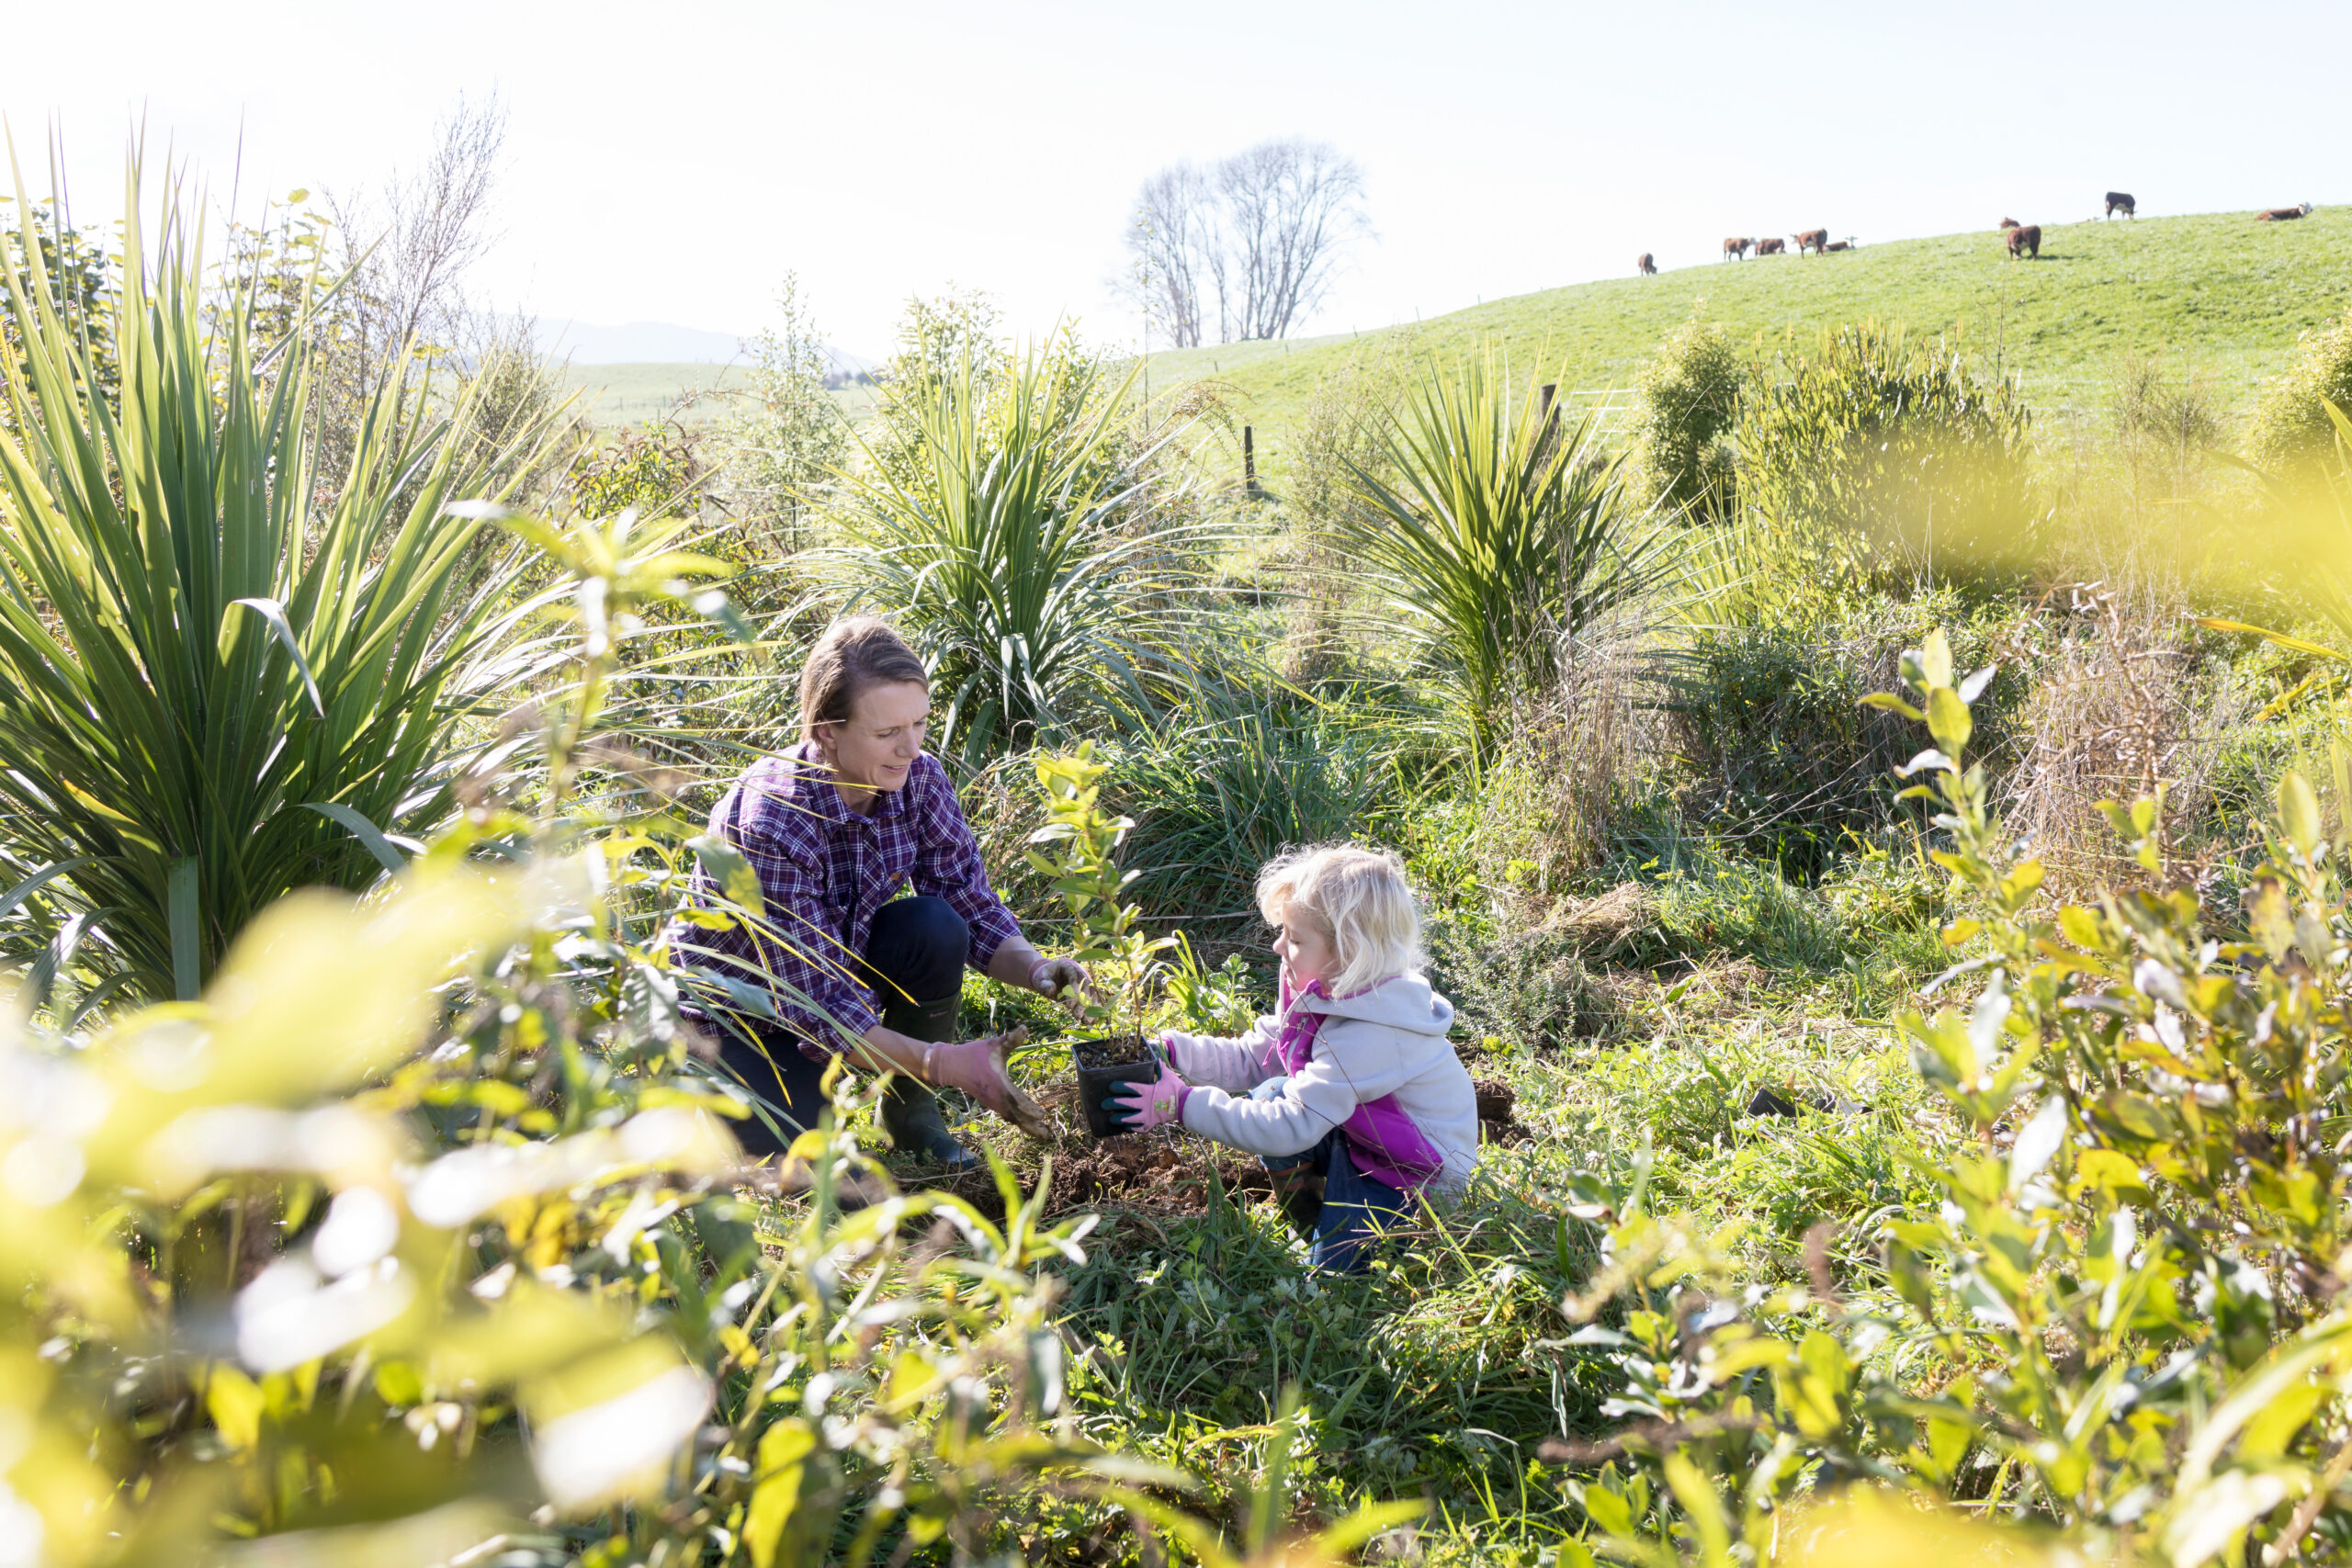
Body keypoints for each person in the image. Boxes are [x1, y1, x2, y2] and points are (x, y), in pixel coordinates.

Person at [666, 616, 1085, 1169]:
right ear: (826, 732)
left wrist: (1037, 969)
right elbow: (818, 1003)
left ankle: (912, 1116)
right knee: (796, 1155)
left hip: (832, 970)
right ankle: (699, 1086)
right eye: (887, 733)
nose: (910, 748)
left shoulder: (918, 778)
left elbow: (969, 902)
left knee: (935, 925)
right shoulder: (770, 821)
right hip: (737, 1013)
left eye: (919, 724)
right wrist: (945, 1062)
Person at [1107, 844, 1477, 1271]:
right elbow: (1258, 1057)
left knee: (1332, 1290)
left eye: (1296, 939)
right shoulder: (1323, 993)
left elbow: (1289, 1127)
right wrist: (1175, 1051)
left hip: (1412, 1179)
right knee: (1270, 1092)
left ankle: (1344, 1250)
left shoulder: (1372, 1035)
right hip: (1368, 1139)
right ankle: (1316, 1221)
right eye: (1284, 930)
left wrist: (1183, 1103)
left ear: (1348, 954)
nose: (1278, 945)